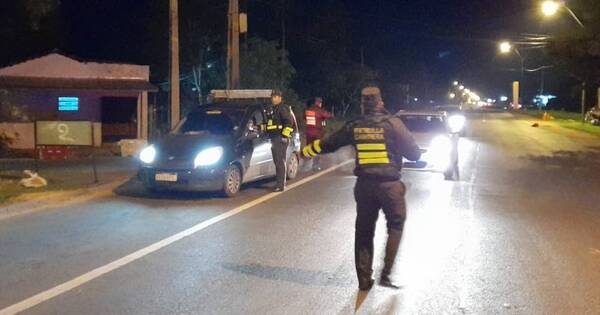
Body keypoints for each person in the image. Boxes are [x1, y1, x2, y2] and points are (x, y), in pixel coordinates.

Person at [302, 86, 421, 291]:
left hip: (364, 186)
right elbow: (414, 154)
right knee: (396, 225)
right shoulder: (393, 124)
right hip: (390, 186)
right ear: (380, 103)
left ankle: (364, 280)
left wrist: (306, 151)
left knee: (364, 232)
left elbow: (330, 143)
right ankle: (386, 274)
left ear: (363, 105)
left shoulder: (355, 125)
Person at [266, 89, 294, 192]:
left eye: (275, 97)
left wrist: (285, 136)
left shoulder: (283, 108)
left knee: (279, 161)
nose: (273, 98)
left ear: (279, 98)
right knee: (277, 161)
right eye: (272, 97)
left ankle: (281, 185)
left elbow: (288, 123)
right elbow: (270, 124)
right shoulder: (273, 109)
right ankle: (279, 183)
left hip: (280, 138)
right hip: (274, 137)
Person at [304, 97, 333, 170]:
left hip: (308, 133)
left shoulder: (308, 110)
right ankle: (315, 165)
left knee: (309, 148)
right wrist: (330, 114)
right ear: (319, 103)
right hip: (317, 133)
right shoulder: (320, 111)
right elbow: (328, 116)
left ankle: (305, 165)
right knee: (317, 148)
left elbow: (304, 117)